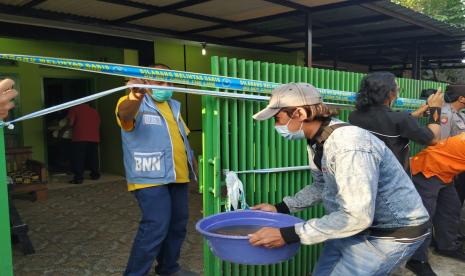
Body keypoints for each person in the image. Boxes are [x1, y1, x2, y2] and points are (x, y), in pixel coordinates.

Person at [249, 83, 430, 275]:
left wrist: (288, 235)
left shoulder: (348, 145)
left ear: (300, 113)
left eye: (278, 119)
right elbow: (321, 186)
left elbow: (357, 216)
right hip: (351, 226)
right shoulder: (318, 141)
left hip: (389, 233)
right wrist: (280, 208)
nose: (277, 126)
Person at [116, 64, 198, 276]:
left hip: (178, 175)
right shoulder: (133, 102)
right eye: (160, 82)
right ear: (146, 82)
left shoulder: (174, 107)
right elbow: (125, 116)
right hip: (149, 176)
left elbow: (184, 140)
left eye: (170, 83)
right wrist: (136, 95)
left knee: (178, 225)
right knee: (156, 226)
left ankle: (169, 268)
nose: (166, 87)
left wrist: (195, 173)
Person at [348, 72, 443, 171]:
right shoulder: (401, 119)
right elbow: (433, 139)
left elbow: (387, 123)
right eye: (397, 89)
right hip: (393, 178)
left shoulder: (354, 116)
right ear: (390, 93)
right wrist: (436, 108)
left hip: (365, 171)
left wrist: (412, 116)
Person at [406, 132, 465, 275]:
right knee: (425, 215)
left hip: (445, 172)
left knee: (451, 208)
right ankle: (416, 259)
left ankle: (447, 246)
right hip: (428, 170)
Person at [440, 85, 465, 205]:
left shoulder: (460, 114)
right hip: (451, 167)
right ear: (461, 98)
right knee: (451, 202)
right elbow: (441, 144)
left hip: (460, 164)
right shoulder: (445, 114)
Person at [67, 102, 101, 184]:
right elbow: (98, 124)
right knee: (93, 157)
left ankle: (78, 178)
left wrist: (64, 129)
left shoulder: (74, 109)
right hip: (94, 137)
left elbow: (70, 123)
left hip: (79, 137)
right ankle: (95, 175)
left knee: (78, 158)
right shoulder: (94, 111)